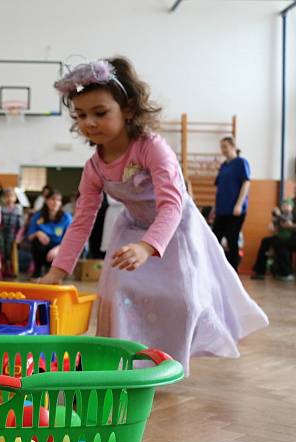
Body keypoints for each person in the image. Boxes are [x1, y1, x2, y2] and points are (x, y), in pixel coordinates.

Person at [40, 57, 267, 375]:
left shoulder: (151, 148)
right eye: (81, 115)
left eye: (100, 112)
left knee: (183, 299)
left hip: (176, 228)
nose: (89, 122)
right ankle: (118, 362)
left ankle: (166, 364)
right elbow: (82, 219)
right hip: (132, 227)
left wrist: (147, 247)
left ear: (128, 109)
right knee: (116, 292)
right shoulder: (94, 167)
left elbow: (173, 205)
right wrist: (58, 271)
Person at [212, 136, 251, 272]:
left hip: (235, 210)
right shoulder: (224, 165)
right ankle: (217, 269)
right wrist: (214, 207)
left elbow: (246, 183)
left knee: (232, 239)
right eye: (221, 147)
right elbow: (219, 187)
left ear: (233, 147)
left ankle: (233, 271)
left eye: (225, 147)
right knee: (214, 239)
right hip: (222, 209)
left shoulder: (241, 162)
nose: (222, 150)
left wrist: (239, 204)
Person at [26, 189, 72, 278]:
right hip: (42, 249)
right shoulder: (38, 216)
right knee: (36, 241)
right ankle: (37, 271)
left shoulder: (66, 218)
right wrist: (38, 233)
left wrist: (57, 249)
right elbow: (30, 236)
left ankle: (54, 271)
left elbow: (69, 240)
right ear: (46, 201)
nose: (55, 203)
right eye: (52, 199)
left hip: (58, 249)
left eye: (58, 200)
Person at [0, 187, 24, 277]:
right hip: (2, 232)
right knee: (2, 250)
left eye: (11, 196)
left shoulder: (18, 209)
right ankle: (3, 268)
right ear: (4, 198)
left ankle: (12, 269)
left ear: (15, 198)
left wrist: (19, 237)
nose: (9, 198)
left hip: (12, 233)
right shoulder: (1, 209)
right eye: (7, 196)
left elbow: (21, 225)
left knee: (11, 251)